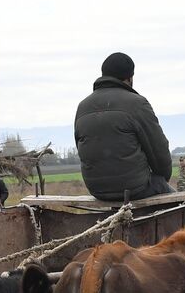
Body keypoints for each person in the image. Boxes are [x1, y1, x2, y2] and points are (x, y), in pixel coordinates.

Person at [74, 52, 173, 202]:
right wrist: (162, 178)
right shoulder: (137, 103)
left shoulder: (82, 107)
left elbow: (81, 147)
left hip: (97, 190)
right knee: (181, 204)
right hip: (135, 188)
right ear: (130, 78)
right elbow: (158, 150)